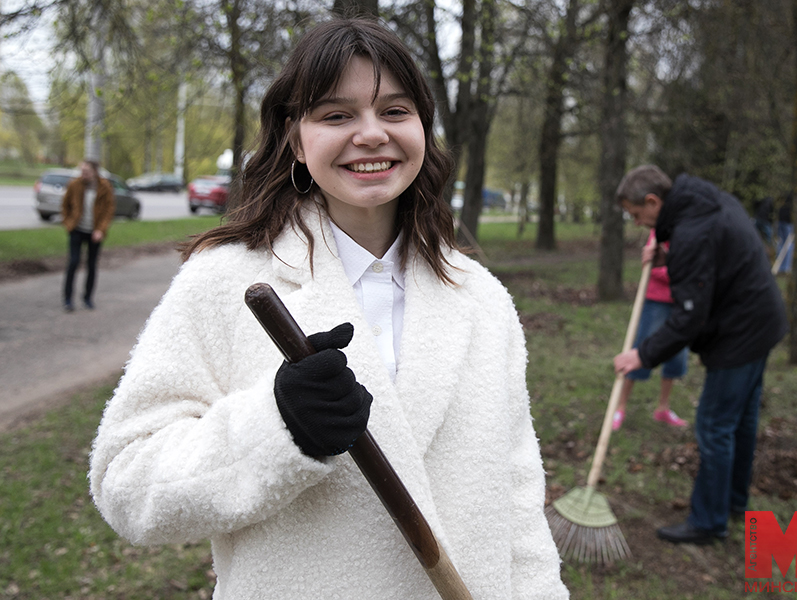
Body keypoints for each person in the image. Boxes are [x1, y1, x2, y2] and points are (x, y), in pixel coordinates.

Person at [89, 19, 568, 600]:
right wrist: (277, 428)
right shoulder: (223, 281)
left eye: (395, 111)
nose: (371, 135)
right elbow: (126, 484)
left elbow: (517, 500)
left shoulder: (483, 298)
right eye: (336, 115)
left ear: (423, 128)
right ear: (295, 138)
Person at [613, 165, 787, 545]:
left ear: (654, 201)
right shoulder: (706, 200)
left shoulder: (692, 233)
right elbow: (710, 260)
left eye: (637, 214)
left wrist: (642, 355)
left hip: (740, 333)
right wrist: (668, 260)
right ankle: (734, 504)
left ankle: (708, 522)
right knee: (740, 421)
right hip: (762, 320)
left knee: (714, 426)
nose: (639, 224)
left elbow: (689, 316)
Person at [613, 229, 689, 431]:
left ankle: (663, 408)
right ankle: (620, 407)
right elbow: (652, 267)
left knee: (677, 354)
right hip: (656, 301)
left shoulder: (690, 230)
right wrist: (682, 273)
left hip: (682, 302)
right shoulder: (660, 230)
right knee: (641, 350)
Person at [61, 160, 115, 311]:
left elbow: (108, 211)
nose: (83, 174)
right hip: (77, 230)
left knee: (91, 265)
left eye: (86, 171)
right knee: (73, 262)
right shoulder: (74, 184)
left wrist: (100, 230)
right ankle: (67, 299)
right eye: (82, 171)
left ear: (94, 172)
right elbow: (65, 205)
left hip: (95, 233)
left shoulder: (104, 187)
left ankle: (87, 298)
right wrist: (68, 224)